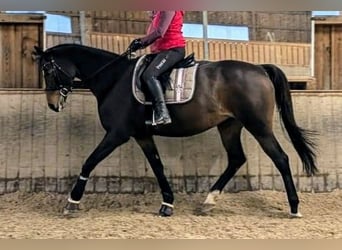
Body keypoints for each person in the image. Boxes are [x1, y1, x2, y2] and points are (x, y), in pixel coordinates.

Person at [128, 11, 186, 125]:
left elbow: (160, 32)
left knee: (150, 75)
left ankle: (163, 114)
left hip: (172, 49)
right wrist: (140, 44)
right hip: (161, 51)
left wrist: (140, 42)